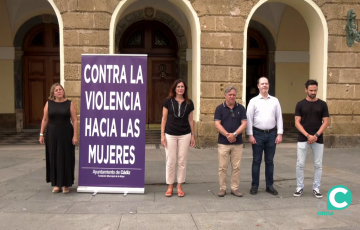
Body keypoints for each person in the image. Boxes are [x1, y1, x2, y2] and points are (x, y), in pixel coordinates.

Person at [246, 76, 283, 196]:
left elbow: (279, 117)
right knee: (256, 161)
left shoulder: (275, 101)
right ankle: (254, 185)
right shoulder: (253, 101)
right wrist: (250, 135)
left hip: (272, 134)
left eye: (266, 83)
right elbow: (249, 119)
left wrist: (280, 133)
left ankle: (269, 186)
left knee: (269, 161)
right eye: (262, 84)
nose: (264, 85)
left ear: (268, 85)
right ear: (258, 86)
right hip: (257, 134)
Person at [39, 83, 78, 194]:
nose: (59, 91)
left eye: (60, 89)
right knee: (54, 157)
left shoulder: (69, 103)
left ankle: (66, 184)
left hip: (66, 133)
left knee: (66, 157)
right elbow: (45, 119)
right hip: (52, 133)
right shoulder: (49, 104)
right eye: (56, 90)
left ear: (63, 91)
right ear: (53, 93)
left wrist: (75, 135)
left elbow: (75, 120)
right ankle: (57, 184)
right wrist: (41, 134)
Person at [294, 80, 329, 199]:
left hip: (318, 140)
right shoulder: (300, 104)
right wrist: (307, 135)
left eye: (315, 90)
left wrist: (316, 135)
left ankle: (316, 188)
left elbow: (326, 122)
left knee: (318, 164)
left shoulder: (323, 104)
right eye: (311, 90)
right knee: (300, 164)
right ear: (306, 90)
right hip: (303, 138)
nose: (313, 92)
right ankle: (299, 187)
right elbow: (297, 122)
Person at [161, 79, 195, 197]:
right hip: (170, 134)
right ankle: (170, 185)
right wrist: (162, 135)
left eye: (182, 87)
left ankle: (179, 185)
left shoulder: (189, 103)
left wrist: (193, 135)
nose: (180, 88)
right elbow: (164, 119)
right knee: (170, 160)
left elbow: (191, 120)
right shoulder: (168, 101)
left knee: (182, 161)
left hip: (185, 134)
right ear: (174, 88)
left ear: (185, 89)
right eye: (178, 86)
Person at [214, 86, 247, 197]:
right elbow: (217, 124)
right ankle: (222, 188)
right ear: (225, 95)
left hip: (237, 143)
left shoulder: (241, 108)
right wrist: (228, 135)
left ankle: (234, 188)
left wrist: (235, 134)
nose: (232, 96)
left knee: (236, 167)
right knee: (222, 167)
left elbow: (244, 124)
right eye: (230, 95)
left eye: (233, 95)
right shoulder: (219, 108)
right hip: (223, 142)